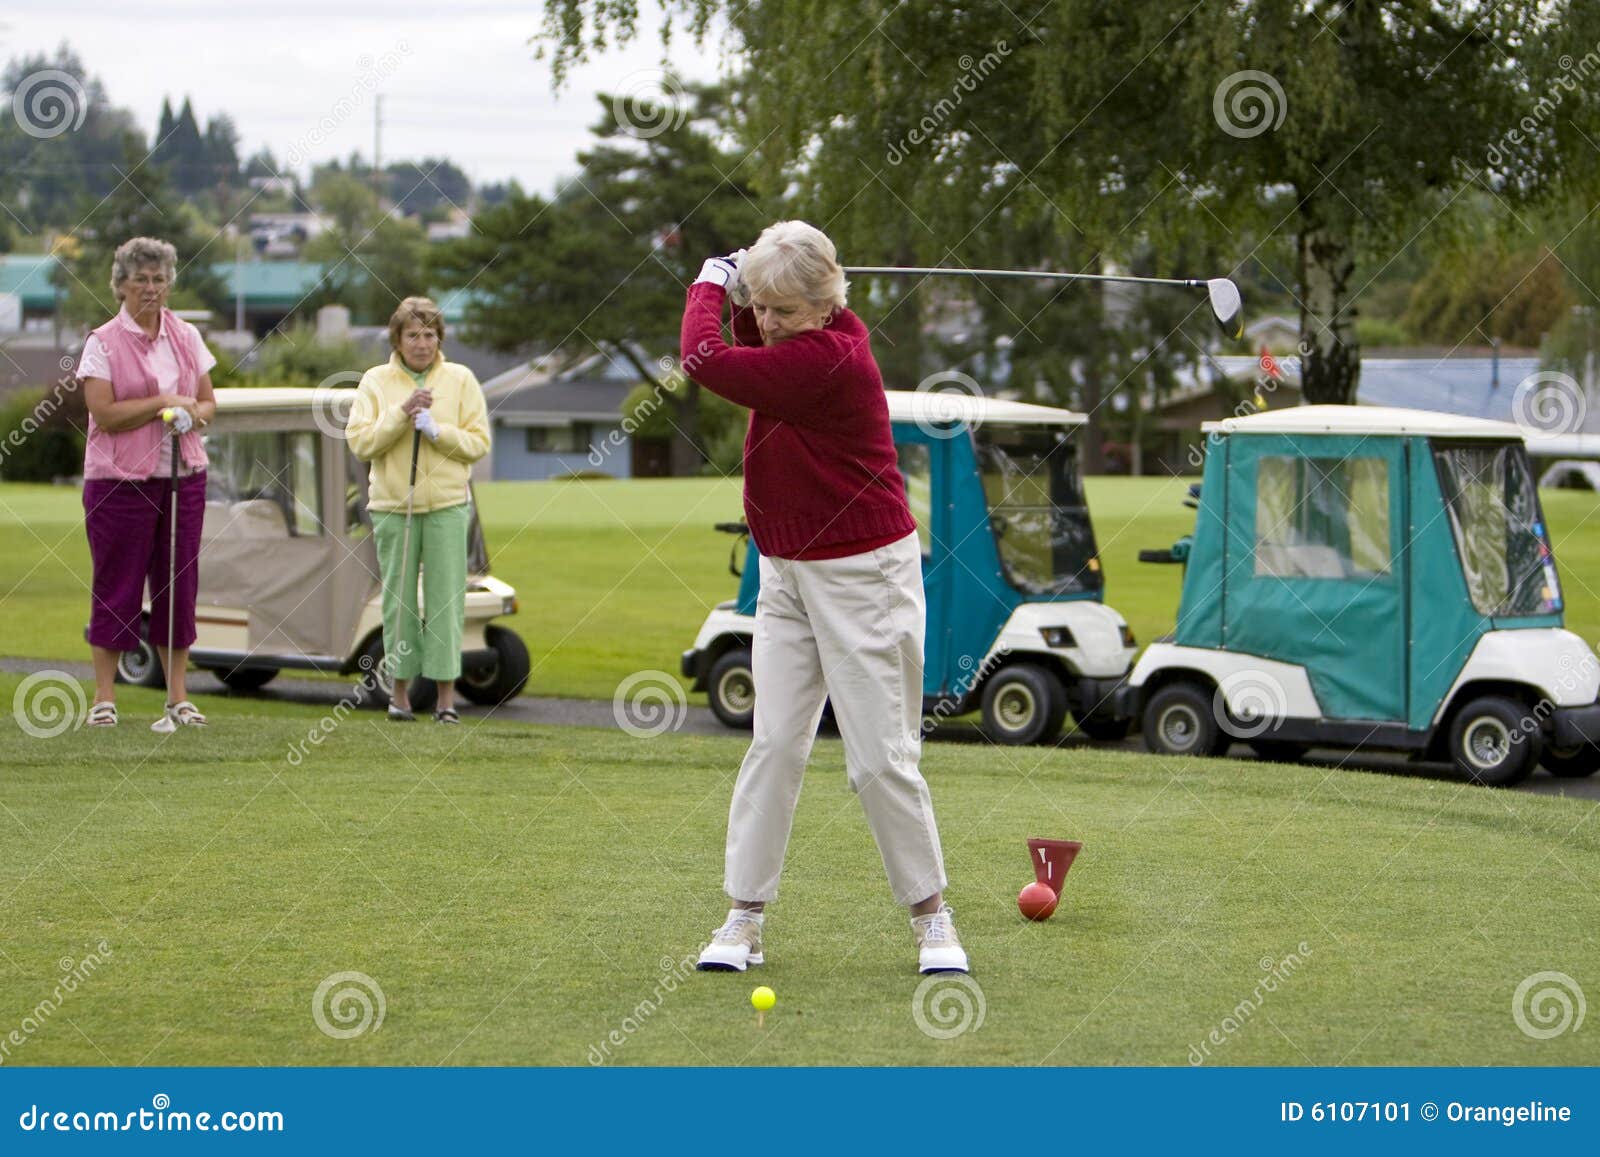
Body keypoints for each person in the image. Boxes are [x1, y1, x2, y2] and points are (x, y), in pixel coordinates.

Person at [681, 221, 968, 975]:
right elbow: (747, 342)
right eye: (762, 308)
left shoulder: (827, 360)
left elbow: (705, 356)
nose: (766, 324)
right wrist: (751, 288)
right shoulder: (801, 337)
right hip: (787, 570)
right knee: (775, 741)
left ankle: (933, 918)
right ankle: (744, 915)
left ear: (821, 304)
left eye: (781, 310)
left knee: (878, 757)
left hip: (864, 574)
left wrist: (712, 281)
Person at [78, 236, 216, 729]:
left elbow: (206, 403)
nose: (151, 289)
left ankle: (178, 696)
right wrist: (164, 404)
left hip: (183, 477)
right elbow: (105, 413)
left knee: (178, 587)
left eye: (159, 279)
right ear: (120, 285)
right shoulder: (103, 342)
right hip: (119, 482)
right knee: (117, 585)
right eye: (141, 280)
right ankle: (104, 698)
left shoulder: (186, 336)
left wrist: (190, 414)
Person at [346, 296, 490, 724]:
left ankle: (446, 699)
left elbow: (478, 444)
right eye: (413, 335)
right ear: (398, 338)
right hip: (393, 505)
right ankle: (400, 694)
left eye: (429, 334)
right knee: (399, 601)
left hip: (447, 504)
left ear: (439, 338)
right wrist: (401, 415)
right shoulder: (375, 380)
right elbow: (361, 442)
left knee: (446, 602)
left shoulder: (460, 379)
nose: (422, 343)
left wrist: (437, 431)